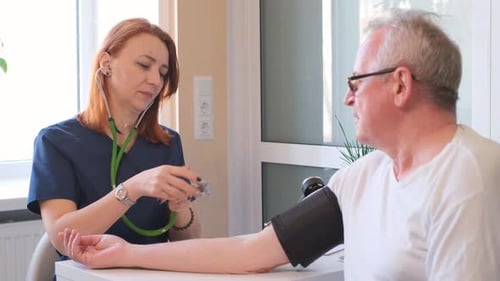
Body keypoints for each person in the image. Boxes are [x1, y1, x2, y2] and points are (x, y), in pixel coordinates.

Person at [59, 8, 500, 280]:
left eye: (356, 82)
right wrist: (129, 253)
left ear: (400, 84)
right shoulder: (362, 179)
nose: (347, 97)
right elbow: (253, 251)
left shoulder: (469, 176)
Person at [27, 18, 205, 267]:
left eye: (163, 73)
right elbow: (61, 236)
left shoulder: (168, 142)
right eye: (144, 65)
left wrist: (181, 206)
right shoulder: (55, 142)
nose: (155, 80)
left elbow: (187, 239)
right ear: (106, 64)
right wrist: (131, 189)